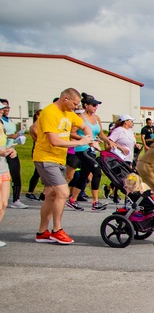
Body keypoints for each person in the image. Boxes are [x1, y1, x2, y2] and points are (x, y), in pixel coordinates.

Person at [33, 89, 93, 244]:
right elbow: (54, 140)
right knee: (63, 192)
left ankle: (42, 232)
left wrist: (89, 137)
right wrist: (79, 142)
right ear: (65, 98)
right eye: (74, 103)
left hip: (59, 159)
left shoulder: (68, 113)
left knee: (51, 196)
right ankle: (57, 230)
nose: (75, 107)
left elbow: (84, 126)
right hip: (45, 158)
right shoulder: (49, 113)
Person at [68, 94, 113, 211]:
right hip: (82, 149)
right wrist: (85, 140)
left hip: (92, 149)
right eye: (93, 105)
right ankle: (95, 202)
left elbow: (101, 134)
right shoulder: (80, 117)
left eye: (97, 105)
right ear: (86, 105)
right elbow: (71, 133)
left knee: (84, 175)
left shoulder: (96, 118)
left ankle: (72, 200)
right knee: (97, 171)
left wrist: (109, 142)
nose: (95, 107)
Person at [1, 100, 27, 209]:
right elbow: (5, 135)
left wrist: (17, 138)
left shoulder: (8, 121)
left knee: (16, 175)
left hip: (10, 150)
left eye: (7, 108)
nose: (5, 110)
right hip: (2, 153)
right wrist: (11, 136)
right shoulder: (2, 122)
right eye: (3, 108)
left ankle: (16, 199)